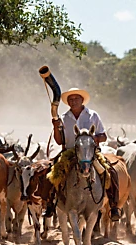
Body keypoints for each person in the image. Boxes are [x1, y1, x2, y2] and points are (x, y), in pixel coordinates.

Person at [50, 87, 121, 221]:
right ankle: (50, 204)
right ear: (68, 102)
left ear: (82, 100)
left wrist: (95, 139)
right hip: (70, 153)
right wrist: (55, 126)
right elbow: (59, 141)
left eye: (76, 98)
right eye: (71, 99)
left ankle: (113, 205)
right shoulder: (64, 118)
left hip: (91, 154)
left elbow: (103, 136)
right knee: (52, 171)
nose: (74, 101)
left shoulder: (92, 115)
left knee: (111, 172)